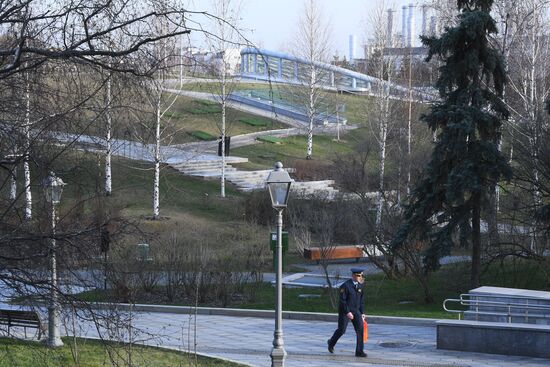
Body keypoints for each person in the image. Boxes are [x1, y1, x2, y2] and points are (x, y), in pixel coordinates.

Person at [327, 268, 367, 357]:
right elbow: (342, 301)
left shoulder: (360, 285)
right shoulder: (345, 286)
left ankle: (359, 351)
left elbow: (361, 300)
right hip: (345, 311)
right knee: (342, 330)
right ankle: (331, 342)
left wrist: (362, 312)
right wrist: (348, 312)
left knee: (360, 329)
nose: (361, 277)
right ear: (353, 276)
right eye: (359, 276)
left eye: (361, 275)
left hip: (356, 311)